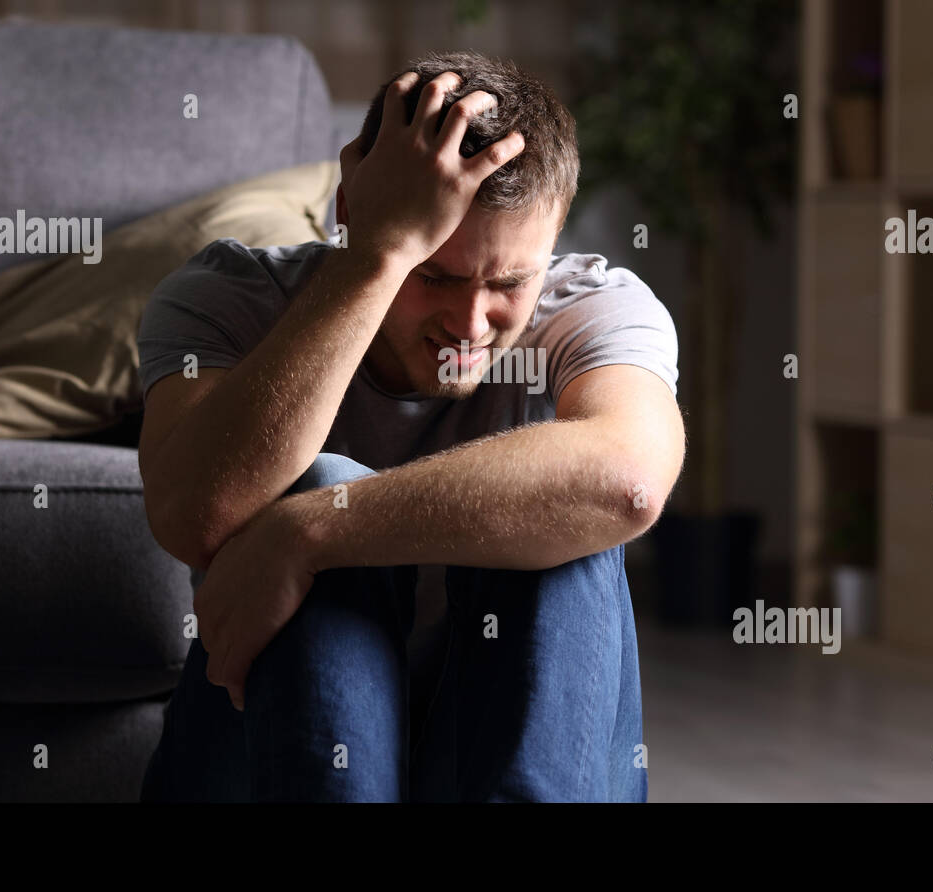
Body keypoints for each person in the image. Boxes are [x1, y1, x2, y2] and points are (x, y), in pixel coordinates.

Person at [135, 52, 683, 802]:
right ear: (353, 205)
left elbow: (627, 484)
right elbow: (193, 514)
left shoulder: (594, 308)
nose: (468, 323)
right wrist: (377, 259)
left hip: (501, 761)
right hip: (268, 758)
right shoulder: (229, 296)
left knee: (565, 516)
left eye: (509, 284)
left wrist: (306, 535)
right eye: (434, 273)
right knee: (323, 474)